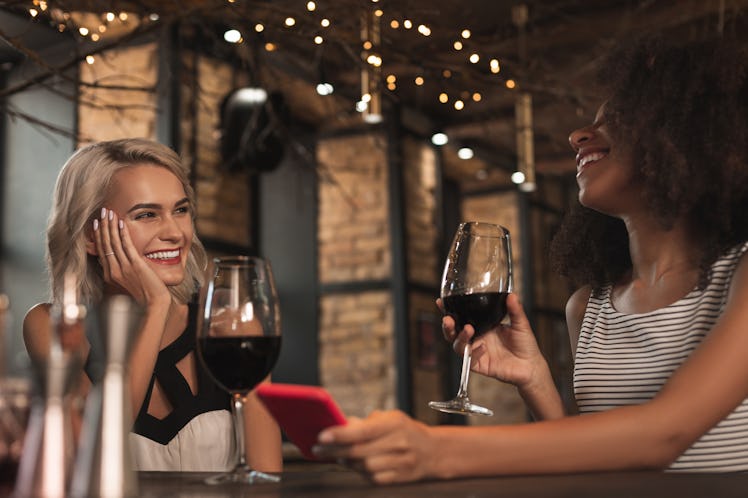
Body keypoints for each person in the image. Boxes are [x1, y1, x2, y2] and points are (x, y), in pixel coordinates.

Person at [313, 35, 748, 483]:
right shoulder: (588, 306)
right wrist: (534, 378)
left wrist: (436, 449)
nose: (578, 135)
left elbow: (665, 434)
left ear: (684, 137)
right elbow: (591, 457)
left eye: (616, 120)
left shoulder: (741, 274)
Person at [22, 138, 282, 472]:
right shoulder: (52, 326)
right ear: (90, 236)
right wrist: (155, 305)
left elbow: (265, 478)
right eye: (146, 214)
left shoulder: (230, 329)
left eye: (181, 210)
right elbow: (96, 452)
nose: (175, 232)